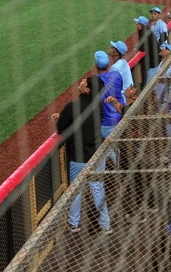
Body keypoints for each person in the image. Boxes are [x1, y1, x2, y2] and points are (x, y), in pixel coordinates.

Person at [51, 74, 110, 233]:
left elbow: (61, 128)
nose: (81, 81)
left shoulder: (73, 106)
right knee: (98, 188)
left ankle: (73, 223)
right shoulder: (99, 105)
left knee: (76, 191)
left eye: (84, 82)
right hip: (97, 155)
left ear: (88, 89)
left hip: (79, 157)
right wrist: (63, 116)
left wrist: (60, 118)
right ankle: (105, 225)